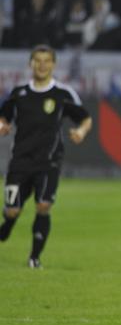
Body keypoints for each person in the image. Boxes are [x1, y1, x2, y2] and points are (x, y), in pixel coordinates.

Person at [0, 45, 92, 268]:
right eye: (38, 61)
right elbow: (4, 118)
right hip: (20, 161)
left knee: (43, 206)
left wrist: (81, 131)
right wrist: (2, 126)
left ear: (53, 65)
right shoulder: (19, 93)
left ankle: (34, 258)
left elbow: (85, 118)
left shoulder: (62, 94)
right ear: (30, 64)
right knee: (12, 210)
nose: (42, 65)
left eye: (46, 61)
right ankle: (7, 225)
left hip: (49, 161)